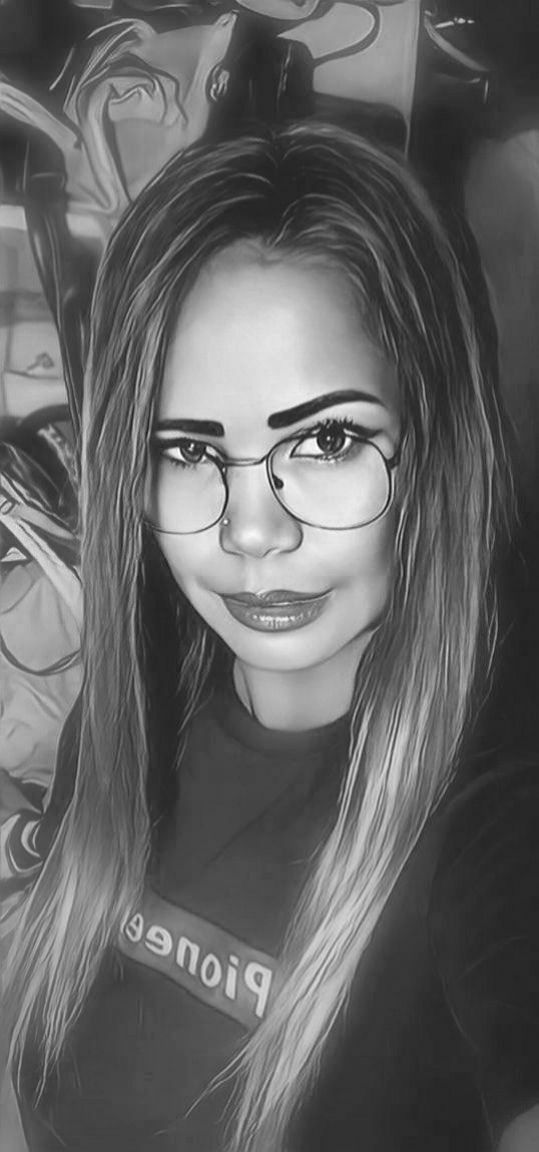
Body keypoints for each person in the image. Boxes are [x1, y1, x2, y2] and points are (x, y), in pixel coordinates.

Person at [4, 122, 539, 1152]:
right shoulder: (129, 722)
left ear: (433, 447)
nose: (252, 531)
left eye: (326, 439)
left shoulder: (496, 814)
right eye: (188, 452)